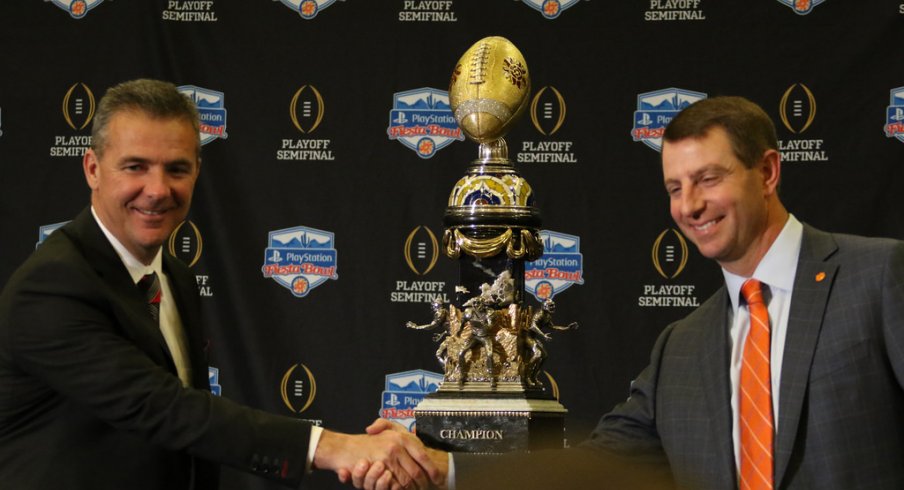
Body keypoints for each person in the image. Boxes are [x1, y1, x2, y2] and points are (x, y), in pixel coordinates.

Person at [355, 96, 904, 489]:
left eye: (709, 179)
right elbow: (589, 469)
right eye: (674, 187)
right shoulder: (681, 347)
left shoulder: (879, 278)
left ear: (767, 171)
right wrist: (441, 467)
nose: (689, 206)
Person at [0, 79, 444, 490]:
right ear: (93, 168)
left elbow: (186, 442)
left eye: (176, 169)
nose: (157, 190)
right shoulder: (51, 286)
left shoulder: (174, 276)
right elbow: (164, 408)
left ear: (196, 171)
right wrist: (334, 447)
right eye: (135, 167)